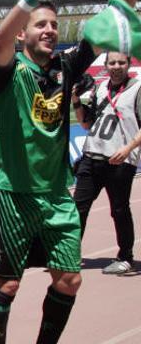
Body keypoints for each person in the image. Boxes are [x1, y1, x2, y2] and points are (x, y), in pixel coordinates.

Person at [0, 0, 139, 344]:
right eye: (41, 25)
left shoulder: (67, 69)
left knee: (69, 279)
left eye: (54, 24)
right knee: (7, 285)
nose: (49, 30)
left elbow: (105, 26)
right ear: (24, 33)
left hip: (55, 196)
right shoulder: (8, 70)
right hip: (14, 195)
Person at [73, 51, 140, 275]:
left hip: (120, 161)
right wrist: (75, 101)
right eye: (112, 62)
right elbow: (86, 124)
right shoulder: (100, 88)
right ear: (106, 64)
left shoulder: (137, 88)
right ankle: (69, 253)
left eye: (121, 62)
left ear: (129, 64)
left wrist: (128, 148)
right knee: (77, 209)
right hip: (92, 157)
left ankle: (125, 257)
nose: (116, 66)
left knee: (119, 210)